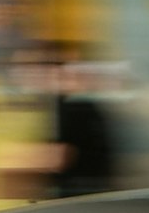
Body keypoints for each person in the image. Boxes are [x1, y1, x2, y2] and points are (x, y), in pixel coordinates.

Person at [45, 49, 122, 198]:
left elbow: (61, 156)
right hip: (86, 191)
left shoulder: (74, 107)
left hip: (77, 192)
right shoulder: (82, 106)